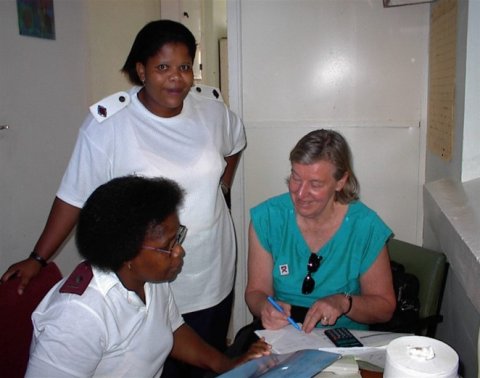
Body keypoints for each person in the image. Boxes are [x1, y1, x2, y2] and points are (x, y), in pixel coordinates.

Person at [2, 20, 244, 376]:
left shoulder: (211, 110)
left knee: (205, 361)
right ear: (140, 70)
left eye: (184, 67)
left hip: (211, 268)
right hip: (147, 271)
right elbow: (74, 196)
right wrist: (39, 257)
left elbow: (235, 144)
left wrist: (222, 189)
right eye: (163, 67)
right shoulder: (108, 124)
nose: (176, 78)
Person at [25, 176, 270, 377]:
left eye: (178, 237)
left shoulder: (150, 279)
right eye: (168, 245)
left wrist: (227, 365)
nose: (179, 251)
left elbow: (172, 328)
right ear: (127, 253)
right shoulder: (78, 316)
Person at [245, 129, 396, 334]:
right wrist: (265, 307)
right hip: (284, 337)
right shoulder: (268, 219)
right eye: (296, 178)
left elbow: (384, 308)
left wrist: (344, 303)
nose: (300, 193)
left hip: (345, 341)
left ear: (341, 182)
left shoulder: (365, 226)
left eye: (315, 184)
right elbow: (256, 292)